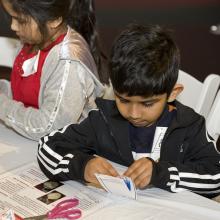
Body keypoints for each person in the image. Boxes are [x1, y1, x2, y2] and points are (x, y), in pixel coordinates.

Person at [37, 24, 220, 198]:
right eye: (123, 100)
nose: (133, 113)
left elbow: (216, 177)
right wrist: (83, 166)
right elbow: (46, 147)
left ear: (173, 93)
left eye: (147, 104)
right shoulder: (103, 120)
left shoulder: (189, 127)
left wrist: (162, 174)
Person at [0, 0, 108, 140]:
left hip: (64, 150)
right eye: (12, 17)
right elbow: (28, 92)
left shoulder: (68, 62)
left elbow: (48, 127)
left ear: (54, 20)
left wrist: (2, 105)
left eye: (20, 20)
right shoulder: (34, 40)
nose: (13, 26)